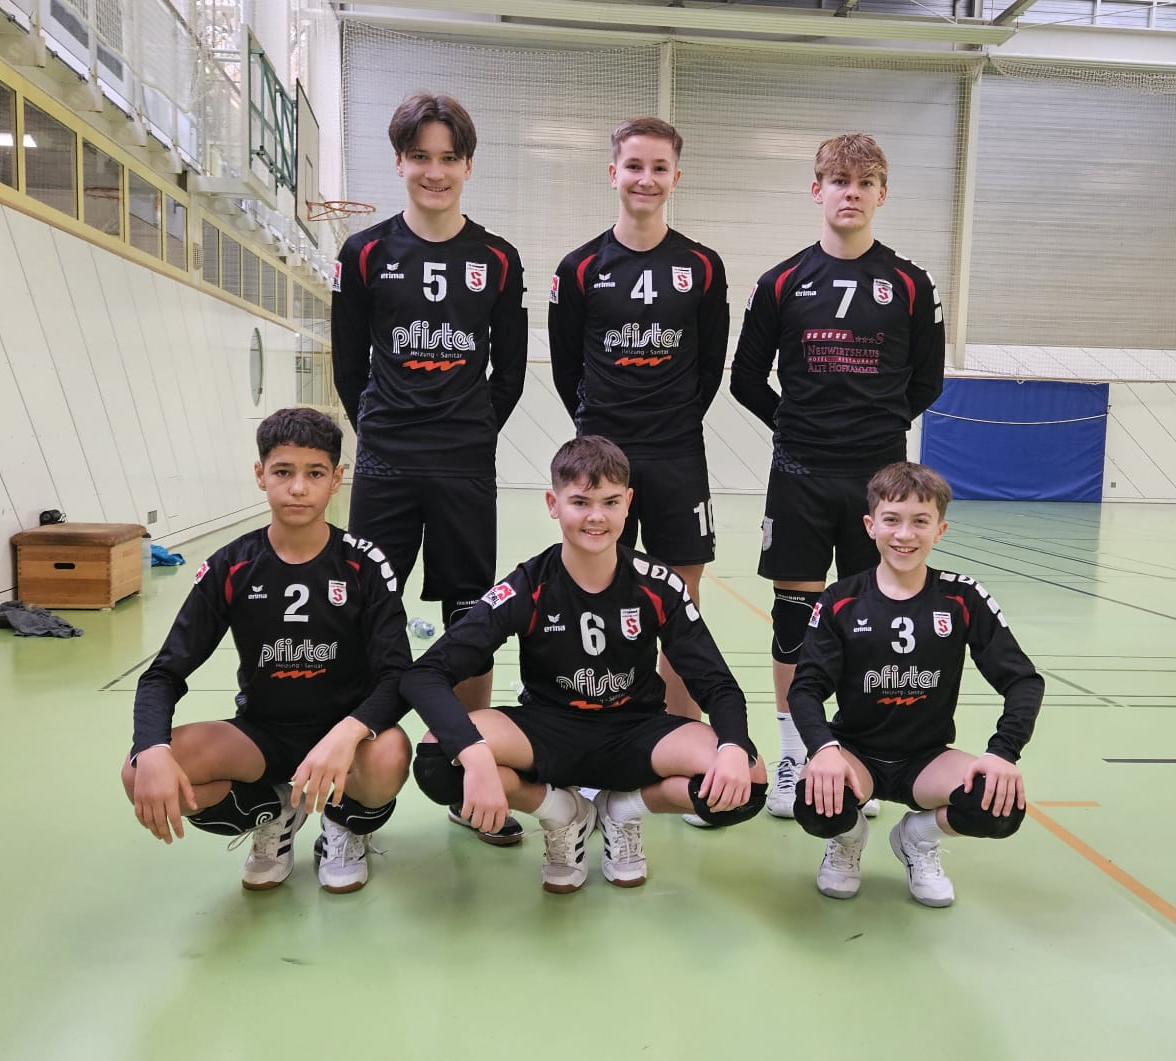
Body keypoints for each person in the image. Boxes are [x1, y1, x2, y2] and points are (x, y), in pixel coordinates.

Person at [400, 436, 765, 894]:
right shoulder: (528, 584)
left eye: (610, 502)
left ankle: (624, 810)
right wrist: (474, 755)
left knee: (748, 779)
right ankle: (562, 813)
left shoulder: (658, 585)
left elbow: (717, 684)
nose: (596, 516)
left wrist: (731, 747)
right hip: (548, 729)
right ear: (553, 505)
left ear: (628, 503)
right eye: (580, 502)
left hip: (636, 731)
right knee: (440, 761)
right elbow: (426, 673)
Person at [332, 91, 528, 845]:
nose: (435, 172)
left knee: (469, 621)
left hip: (463, 466)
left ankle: (461, 781)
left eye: (449, 158)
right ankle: (353, 804)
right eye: (420, 157)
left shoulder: (498, 258)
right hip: (386, 462)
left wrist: (468, 435)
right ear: (399, 162)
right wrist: (384, 432)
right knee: (364, 617)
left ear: (468, 165)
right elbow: (349, 365)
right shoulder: (364, 253)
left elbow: (508, 374)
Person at [730, 133, 944, 821]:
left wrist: (874, 433)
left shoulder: (910, 284)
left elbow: (928, 382)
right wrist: (798, 428)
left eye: (865, 182)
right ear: (816, 189)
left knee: (867, 618)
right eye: (839, 180)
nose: (851, 192)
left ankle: (853, 760)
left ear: (882, 193)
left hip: (878, 482)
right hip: (799, 472)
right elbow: (744, 379)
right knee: (794, 620)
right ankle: (796, 757)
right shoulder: (782, 281)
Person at [124, 408, 413, 893]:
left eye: (314, 473)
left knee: (390, 754)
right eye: (283, 472)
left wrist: (347, 733)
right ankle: (275, 814)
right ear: (261, 475)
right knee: (138, 772)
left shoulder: (364, 564)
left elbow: (396, 674)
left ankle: (343, 824)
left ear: (336, 479)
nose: (298, 488)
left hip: (346, 735)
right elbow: (164, 674)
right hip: (262, 735)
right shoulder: (231, 565)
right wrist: (151, 749)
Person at [789, 462, 1045, 909]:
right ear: (870, 526)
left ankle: (917, 838)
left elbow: (1023, 680)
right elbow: (805, 687)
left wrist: (1003, 753)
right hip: (856, 753)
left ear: (940, 530)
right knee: (815, 802)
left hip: (927, 759)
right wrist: (823, 750)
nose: (905, 534)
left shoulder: (963, 598)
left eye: (920, 522)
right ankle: (848, 838)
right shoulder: (841, 599)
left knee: (999, 807)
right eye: (892, 519)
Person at [550, 116, 729, 721]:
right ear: (612, 173)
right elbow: (566, 366)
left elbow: (710, 365)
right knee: (600, 591)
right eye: (634, 166)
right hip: (604, 455)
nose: (645, 179)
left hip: (678, 453)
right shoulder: (579, 267)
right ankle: (605, 729)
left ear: (677, 177)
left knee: (682, 600)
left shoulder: (702, 266)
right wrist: (600, 430)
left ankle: (681, 736)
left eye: (658, 168)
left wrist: (673, 420)